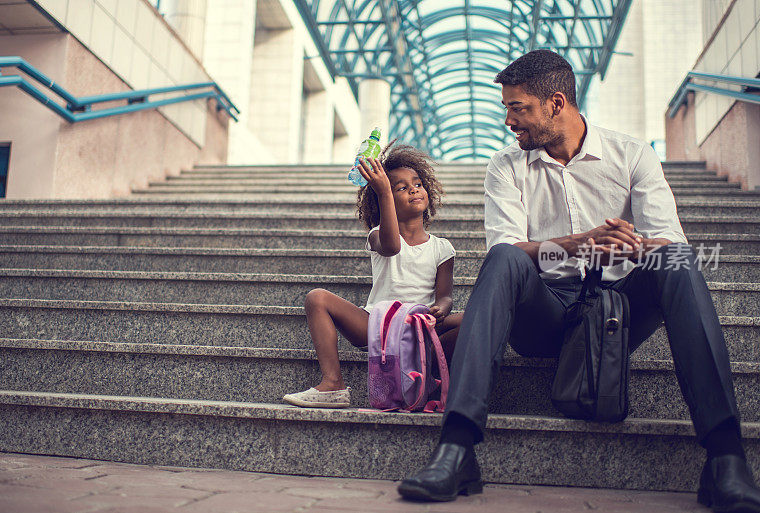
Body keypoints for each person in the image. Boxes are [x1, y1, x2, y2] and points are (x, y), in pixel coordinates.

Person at [398, 50, 760, 512]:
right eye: (506, 108)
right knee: (504, 259)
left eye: (518, 108)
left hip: (615, 314)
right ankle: (457, 449)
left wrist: (631, 246)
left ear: (556, 103)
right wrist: (580, 243)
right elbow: (509, 250)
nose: (509, 121)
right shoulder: (506, 167)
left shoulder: (632, 156)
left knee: (680, 262)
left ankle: (726, 460)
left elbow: (667, 241)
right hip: (542, 311)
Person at [283, 144, 463, 408]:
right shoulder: (378, 234)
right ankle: (333, 383)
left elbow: (445, 295)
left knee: (478, 319)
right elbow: (392, 247)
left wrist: (441, 309)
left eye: (417, 184)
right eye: (400, 188)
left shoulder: (442, 247)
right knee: (316, 298)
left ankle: (436, 382)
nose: (413, 189)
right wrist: (382, 191)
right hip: (376, 326)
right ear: (384, 200)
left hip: (421, 330)